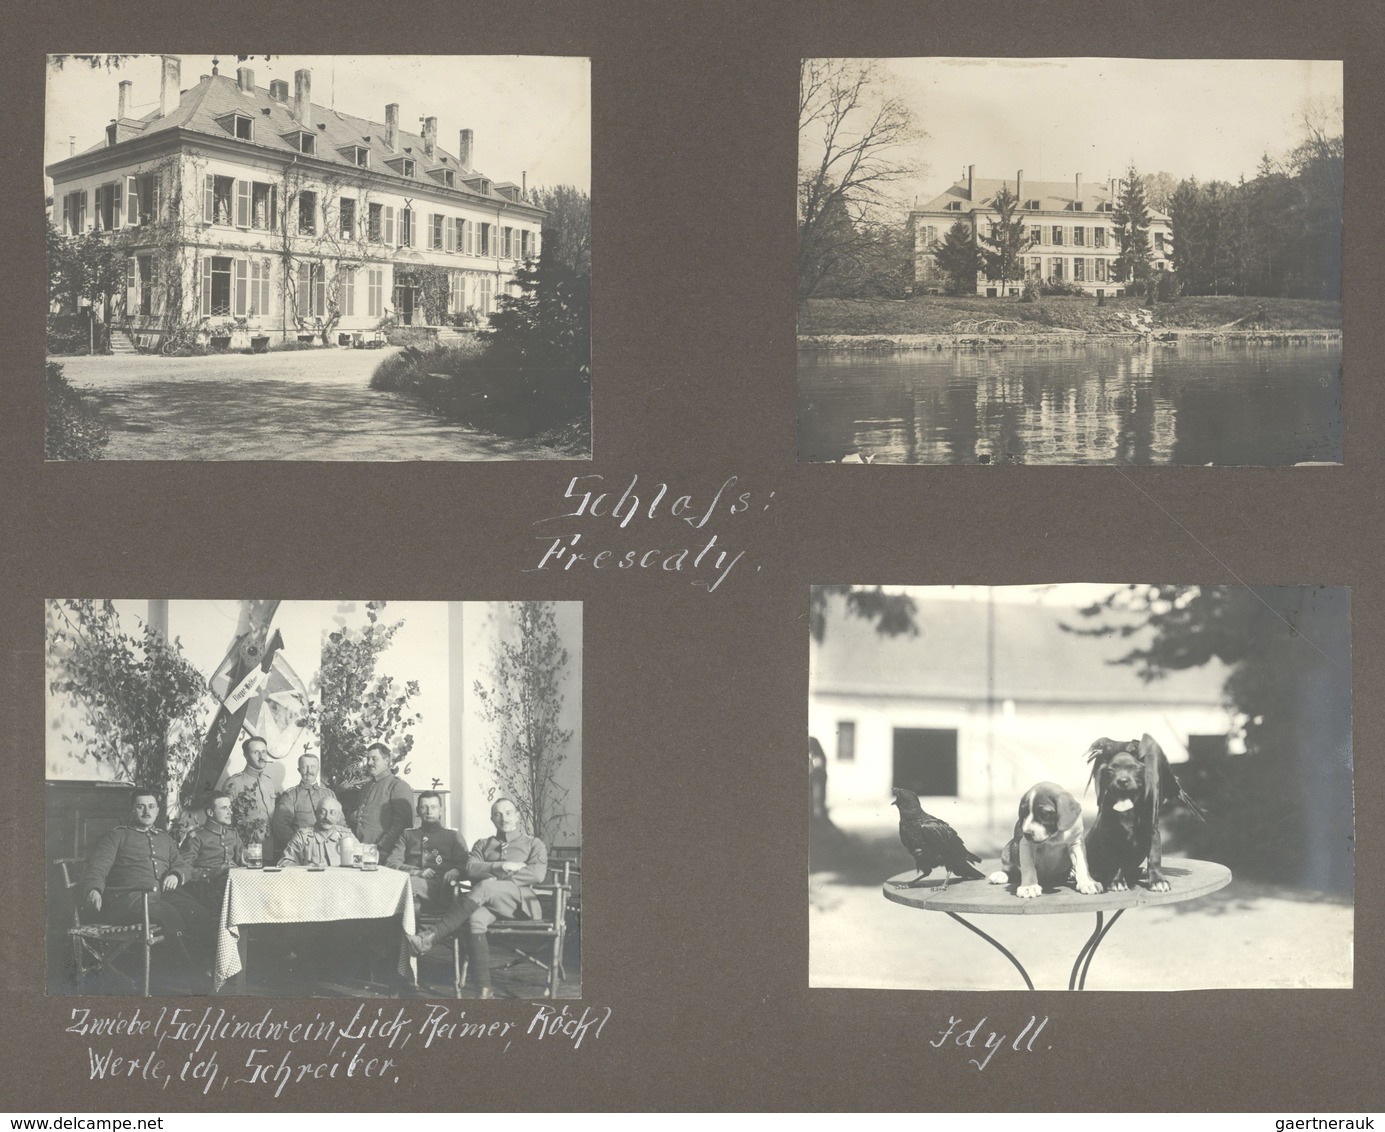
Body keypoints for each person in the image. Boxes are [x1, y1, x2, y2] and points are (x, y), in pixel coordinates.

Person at [404, 798, 547, 998]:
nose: (503, 818)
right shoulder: (483, 844)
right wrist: (501, 866)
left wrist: (494, 877)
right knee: (475, 919)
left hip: (520, 903)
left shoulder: (533, 843)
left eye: (508, 813)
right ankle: (484, 989)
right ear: (492, 818)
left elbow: (537, 874)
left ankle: (430, 936)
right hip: (486, 901)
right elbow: (470, 869)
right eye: (497, 814)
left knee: (486, 885)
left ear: (517, 815)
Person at [79, 788, 209, 988]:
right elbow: (98, 867)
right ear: (132, 810)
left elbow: (182, 865)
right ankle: (194, 982)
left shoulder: (164, 838)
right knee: (169, 915)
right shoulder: (117, 836)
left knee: (198, 913)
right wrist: (94, 890)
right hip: (129, 899)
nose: (147, 812)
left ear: (157, 810)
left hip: (162, 896)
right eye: (141, 807)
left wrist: (175, 874)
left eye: (151, 807)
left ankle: (201, 972)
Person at [386, 791, 464, 911]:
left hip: (441, 891)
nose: (429, 811)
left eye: (434, 807)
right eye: (424, 807)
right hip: (412, 887)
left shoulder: (453, 835)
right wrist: (416, 872)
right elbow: (391, 863)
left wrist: (456, 870)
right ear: (417, 811)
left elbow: (465, 864)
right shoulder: (408, 835)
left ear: (441, 810)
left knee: (407, 885)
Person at [178, 791, 243, 909]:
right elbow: (184, 868)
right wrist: (214, 872)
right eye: (224, 808)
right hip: (205, 889)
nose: (230, 812)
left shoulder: (232, 834)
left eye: (230, 807)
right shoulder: (197, 836)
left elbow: (243, 859)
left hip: (231, 887)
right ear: (210, 812)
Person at [352, 742, 413, 858]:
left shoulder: (398, 786)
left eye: (374, 759)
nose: (369, 763)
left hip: (384, 853)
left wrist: (381, 848)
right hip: (361, 851)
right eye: (368, 759)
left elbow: (402, 824)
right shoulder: (366, 787)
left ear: (386, 761)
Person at [270, 754, 338, 857]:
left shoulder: (329, 794)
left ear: (318, 769)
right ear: (299, 770)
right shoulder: (290, 795)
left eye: (313, 767)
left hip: (329, 852)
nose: (309, 770)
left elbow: (340, 823)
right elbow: (280, 825)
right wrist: (299, 844)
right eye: (305, 767)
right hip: (302, 854)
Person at [223, 736, 276, 860]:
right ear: (246, 755)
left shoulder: (269, 782)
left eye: (263, 752)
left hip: (272, 847)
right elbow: (225, 820)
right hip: (248, 848)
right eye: (255, 752)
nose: (261, 756)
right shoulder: (234, 783)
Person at [280, 798, 353, 867]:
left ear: (339, 816)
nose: (327, 817)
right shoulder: (303, 836)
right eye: (322, 812)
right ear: (315, 813)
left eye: (332, 813)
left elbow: (360, 859)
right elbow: (285, 862)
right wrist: (304, 870)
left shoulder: (346, 835)